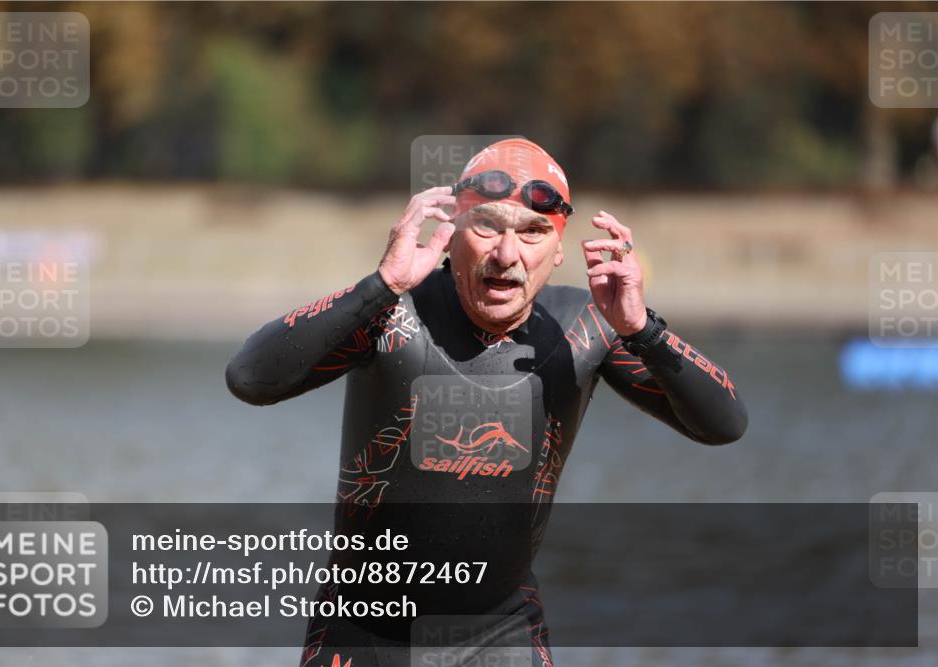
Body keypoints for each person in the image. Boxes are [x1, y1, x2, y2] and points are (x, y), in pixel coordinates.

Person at [226, 138, 748, 667]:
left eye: (532, 232)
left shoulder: (590, 328)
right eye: (487, 227)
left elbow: (724, 423)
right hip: (362, 637)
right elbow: (249, 378)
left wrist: (643, 330)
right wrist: (380, 284)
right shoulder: (391, 313)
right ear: (450, 236)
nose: (507, 255)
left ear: (559, 249)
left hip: (501, 637)